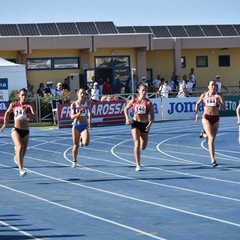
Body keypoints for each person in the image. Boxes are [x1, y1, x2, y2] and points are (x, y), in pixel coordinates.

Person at [0, 88, 35, 177]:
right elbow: (7, 113)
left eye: (25, 95)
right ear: (19, 96)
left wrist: (28, 112)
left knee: (22, 155)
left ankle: (18, 158)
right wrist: (4, 124)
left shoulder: (29, 105)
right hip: (16, 130)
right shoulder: (14, 104)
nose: (24, 97)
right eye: (22, 95)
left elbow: (34, 117)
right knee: (20, 146)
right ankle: (21, 170)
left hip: (26, 132)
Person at [195, 80, 226, 167]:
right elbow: (197, 104)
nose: (213, 87)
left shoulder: (219, 95)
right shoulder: (204, 95)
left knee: (211, 139)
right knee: (211, 138)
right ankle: (213, 160)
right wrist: (196, 114)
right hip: (206, 118)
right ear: (208, 86)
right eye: (212, 85)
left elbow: (224, 108)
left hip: (216, 119)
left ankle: (203, 134)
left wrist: (221, 102)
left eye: (215, 85)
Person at [124, 83, 154, 171]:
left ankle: (141, 141)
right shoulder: (134, 101)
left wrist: (149, 125)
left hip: (145, 125)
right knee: (136, 143)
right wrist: (127, 119)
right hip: (135, 123)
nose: (144, 92)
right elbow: (125, 109)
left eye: (145, 91)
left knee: (143, 147)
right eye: (142, 90)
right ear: (139, 91)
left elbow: (152, 116)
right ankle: (138, 164)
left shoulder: (148, 103)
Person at [70, 88, 92, 168]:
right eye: (81, 93)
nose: (82, 95)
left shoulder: (87, 103)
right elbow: (72, 116)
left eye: (84, 93)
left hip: (84, 125)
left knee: (86, 143)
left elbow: (90, 113)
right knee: (75, 145)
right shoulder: (74, 104)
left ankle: (82, 141)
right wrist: (78, 113)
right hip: (76, 126)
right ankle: (74, 161)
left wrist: (90, 123)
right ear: (78, 94)